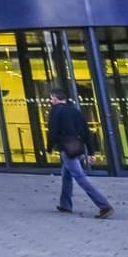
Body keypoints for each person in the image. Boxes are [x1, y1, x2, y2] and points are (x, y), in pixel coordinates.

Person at [46, 87, 113, 218]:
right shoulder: (75, 111)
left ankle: (104, 205)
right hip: (78, 147)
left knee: (80, 177)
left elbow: (52, 131)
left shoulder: (55, 112)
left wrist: (49, 147)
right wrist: (91, 152)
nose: (50, 101)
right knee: (66, 175)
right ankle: (65, 204)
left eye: (51, 98)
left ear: (55, 98)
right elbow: (86, 132)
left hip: (66, 148)